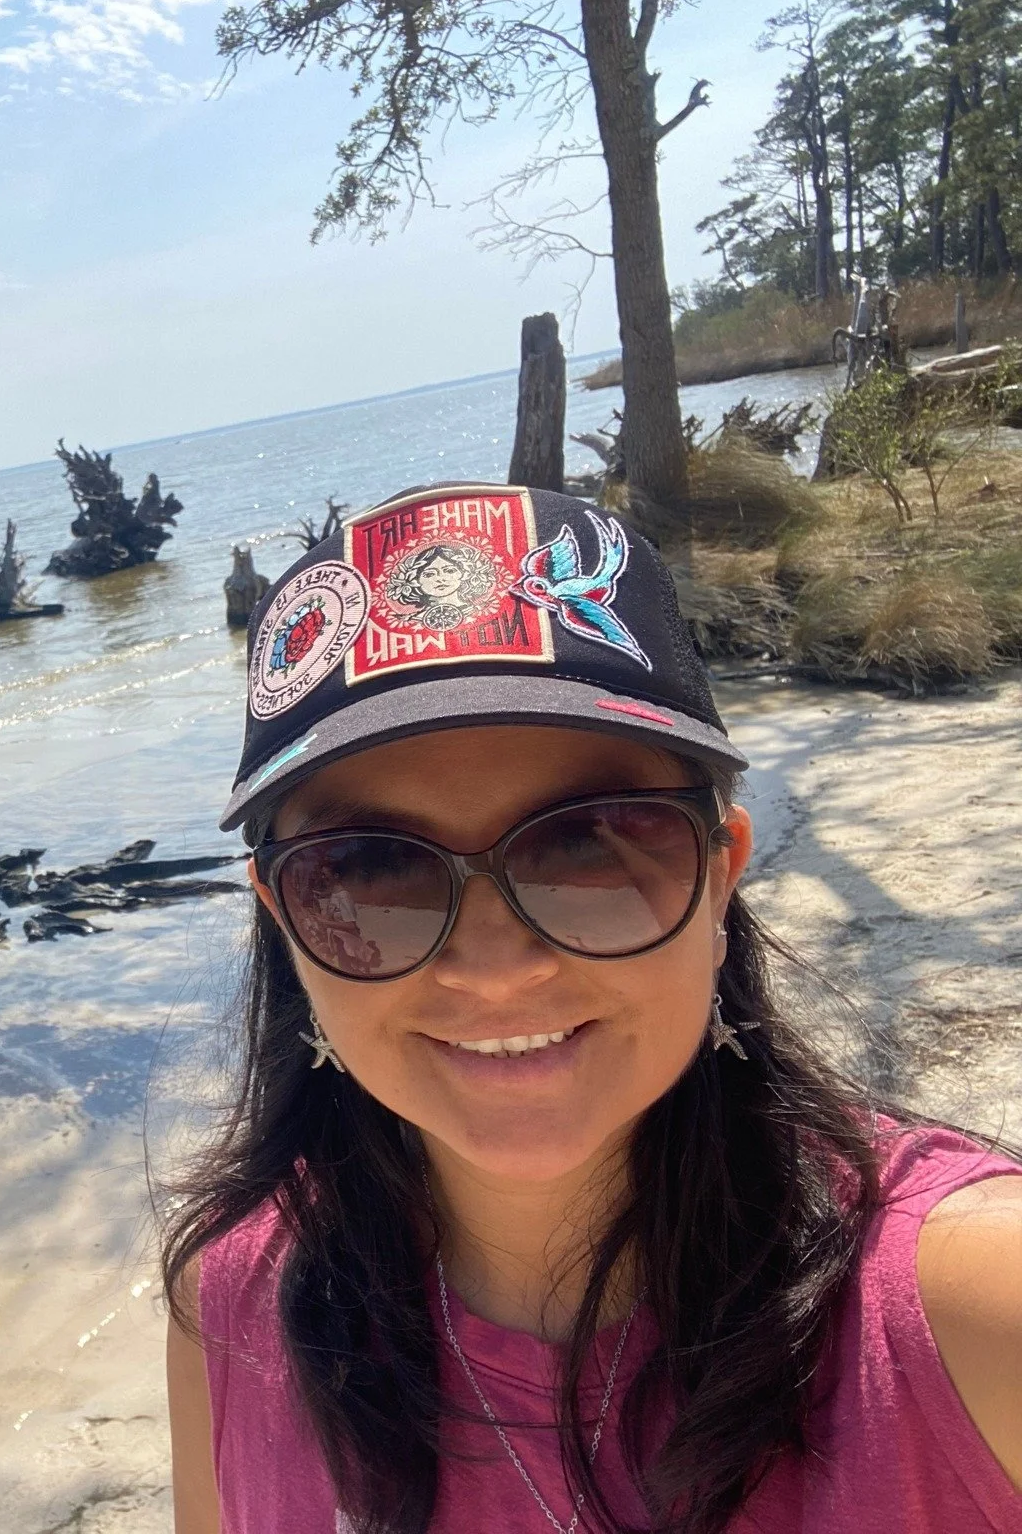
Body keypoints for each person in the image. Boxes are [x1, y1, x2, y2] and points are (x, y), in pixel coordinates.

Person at [162, 483, 1022, 1534]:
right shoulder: (232, 1305)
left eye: (589, 842)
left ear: (719, 873)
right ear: (283, 921)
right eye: (368, 871)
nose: (493, 969)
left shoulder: (975, 1315)